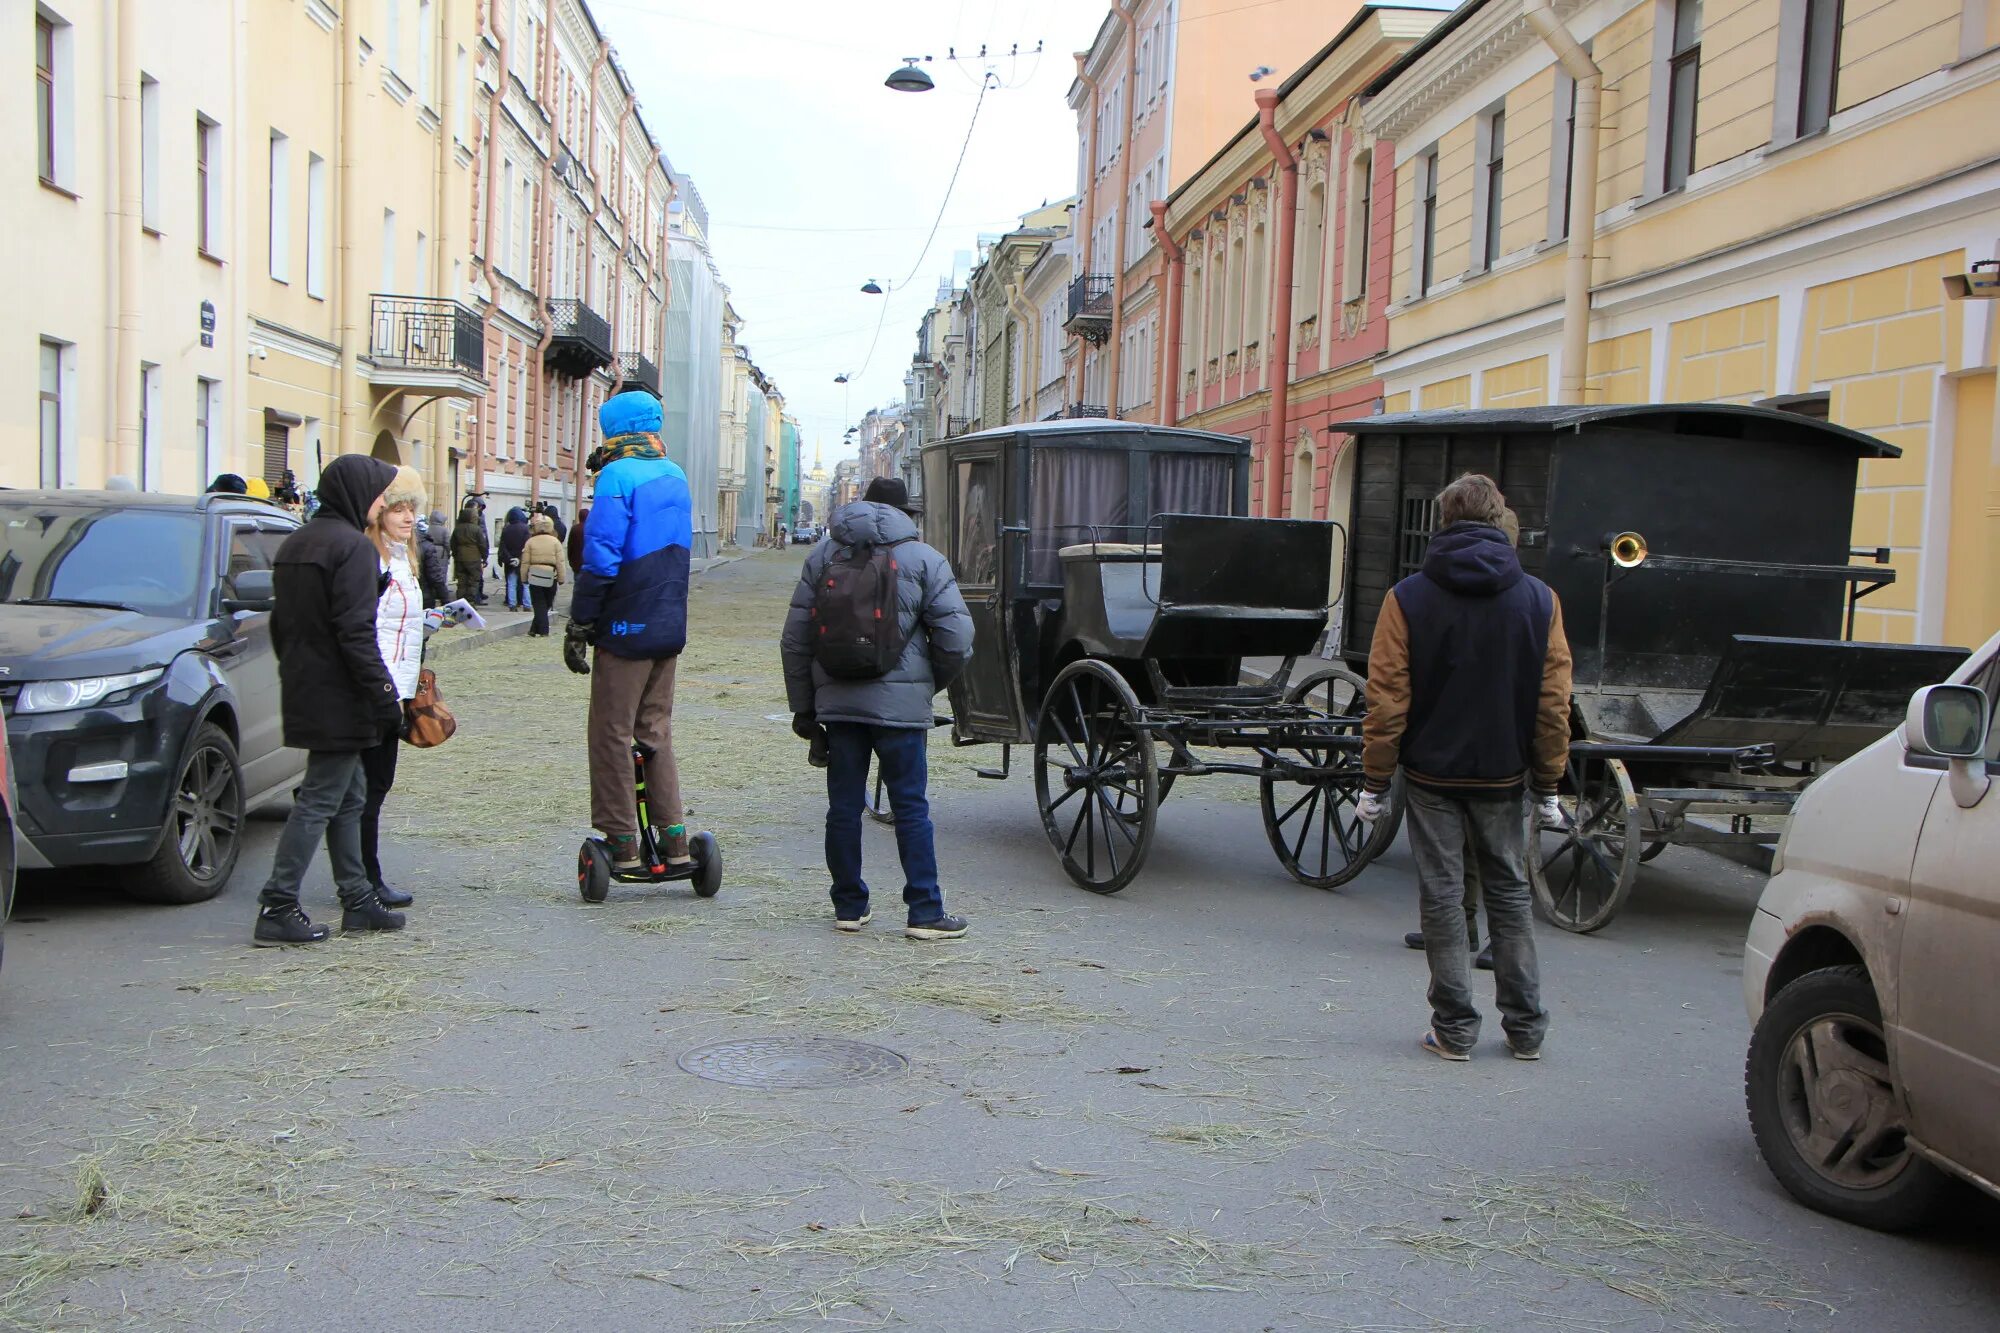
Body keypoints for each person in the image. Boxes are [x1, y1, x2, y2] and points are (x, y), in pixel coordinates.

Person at [1359, 474, 1570, 1062]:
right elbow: (1553, 703)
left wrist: (1376, 781)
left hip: (1431, 774)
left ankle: (1453, 1030)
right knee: (1510, 895)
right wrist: (1549, 780)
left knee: (1443, 897)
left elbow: (1387, 699)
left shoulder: (1407, 598)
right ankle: (1526, 1029)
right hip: (1504, 773)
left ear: (1442, 522)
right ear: (1501, 519)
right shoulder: (1539, 599)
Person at [781, 476, 974, 941]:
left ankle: (849, 905)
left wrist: (805, 710)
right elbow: (957, 640)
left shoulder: (823, 556)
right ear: (907, 512)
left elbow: (795, 641)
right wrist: (927, 686)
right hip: (901, 709)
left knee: (843, 808)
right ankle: (924, 912)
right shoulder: (926, 559)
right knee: (911, 807)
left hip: (838, 705)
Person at [253, 454, 409, 945]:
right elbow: (355, 633)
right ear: (359, 494)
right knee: (322, 796)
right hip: (341, 692)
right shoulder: (352, 548)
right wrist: (385, 695)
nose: (383, 501)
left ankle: (358, 898)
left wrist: (297, 669)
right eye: (379, 493)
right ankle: (278, 903)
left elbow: (285, 623)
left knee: (351, 794)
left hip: (306, 683)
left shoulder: (298, 541)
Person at [565, 390, 696, 875]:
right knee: (655, 730)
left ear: (611, 429)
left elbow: (601, 555)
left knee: (611, 731)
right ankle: (676, 839)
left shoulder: (616, 475)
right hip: (668, 623)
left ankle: (622, 841)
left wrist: (581, 621)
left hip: (626, 623)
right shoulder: (674, 473)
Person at [1399, 507, 1524, 974]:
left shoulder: (1419, 595)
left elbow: (1394, 688)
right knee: (1497, 859)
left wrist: (1378, 773)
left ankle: (1474, 937)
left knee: (1470, 865)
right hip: (1502, 749)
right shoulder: (1531, 595)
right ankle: (1476, 932)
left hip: (1445, 748)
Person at [359, 466, 428, 911]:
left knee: (378, 785)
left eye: (411, 509)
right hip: (376, 684)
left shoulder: (405, 556)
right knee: (367, 786)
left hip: (398, 684)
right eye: (397, 509)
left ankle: (364, 873)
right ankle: (364, 877)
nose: (406, 517)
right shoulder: (372, 559)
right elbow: (368, 626)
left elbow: (400, 623)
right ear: (379, 512)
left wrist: (432, 622)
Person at [520, 512, 565, 636]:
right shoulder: (555, 542)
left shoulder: (530, 542)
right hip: (551, 575)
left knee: (539, 603)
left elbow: (525, 562)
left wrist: (523, 577)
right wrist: (561, 578)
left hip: (534, 575)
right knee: (546, 603)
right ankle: (544, 630)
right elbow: (560, 562)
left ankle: (534, 629)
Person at [451, 499, 489, 605]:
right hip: (474, 558)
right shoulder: (476, 529)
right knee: (473, 581)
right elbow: (482, 544)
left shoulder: (457, 528)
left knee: (461, 582)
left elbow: (453, 543)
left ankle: (460, 603)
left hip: (460, 558)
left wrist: (455, 554)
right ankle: (470, 602)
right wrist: (484, 557)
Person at [417, 509, 452, 608]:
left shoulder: (428, 529)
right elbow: (447, 543)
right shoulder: (444, 530)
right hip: (441, 553)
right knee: (439, 573)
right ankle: (439, 592)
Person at [499, 506, 532, 611]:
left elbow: (502, 546)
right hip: (523, 561)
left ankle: (512, 605)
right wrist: (519, 559)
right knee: (525, 584)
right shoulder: (525, 528)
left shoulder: (506, 529)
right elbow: (527, 546)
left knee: (511, 583)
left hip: (510, 562)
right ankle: (527, 605)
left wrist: (510, 559)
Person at [566, 506, 589, 575]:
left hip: (576, 563)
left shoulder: (575, 529)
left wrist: (570, 560)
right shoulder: (592, 529)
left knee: (577, 582)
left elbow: (570, 545)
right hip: (588, 563)